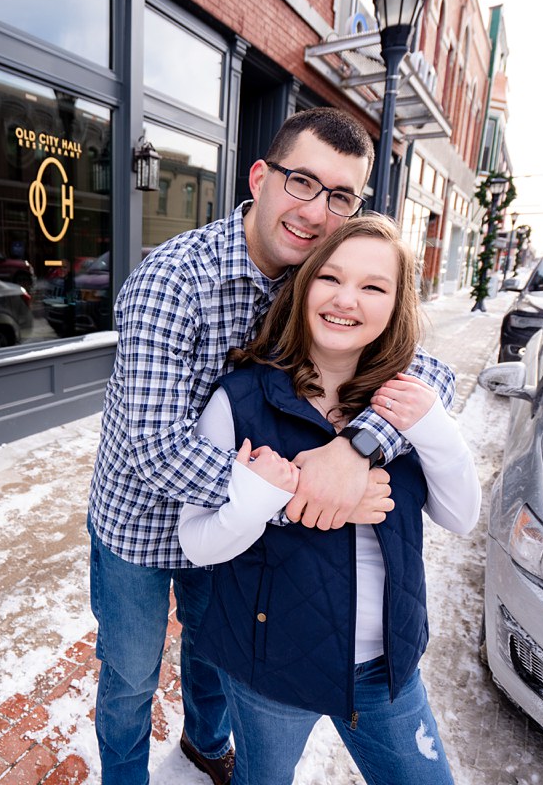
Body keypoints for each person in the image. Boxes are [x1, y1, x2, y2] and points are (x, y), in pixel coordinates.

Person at [87, 107, 456, 784]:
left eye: (340, 195)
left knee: (213, 654)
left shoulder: (321, 279)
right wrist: (295, 495)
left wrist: (355, 451)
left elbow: (427, 370)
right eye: (302, 182)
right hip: (139, 523)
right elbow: (149, 447)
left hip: (234, 522)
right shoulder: (175, 279)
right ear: (260, 177)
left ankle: (207, 747)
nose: (317, 212)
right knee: (133, 677)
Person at [177, 215, 481, 784]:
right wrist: (269, 494)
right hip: (270, 665)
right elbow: (195, 545)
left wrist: (434, 427)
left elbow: (461, 516)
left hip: (385, 668)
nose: (346, 299)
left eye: (373, 286)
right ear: (305, 284)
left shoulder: (407, 403)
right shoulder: (241, 400)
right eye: (330, 279)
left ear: (397, 303)